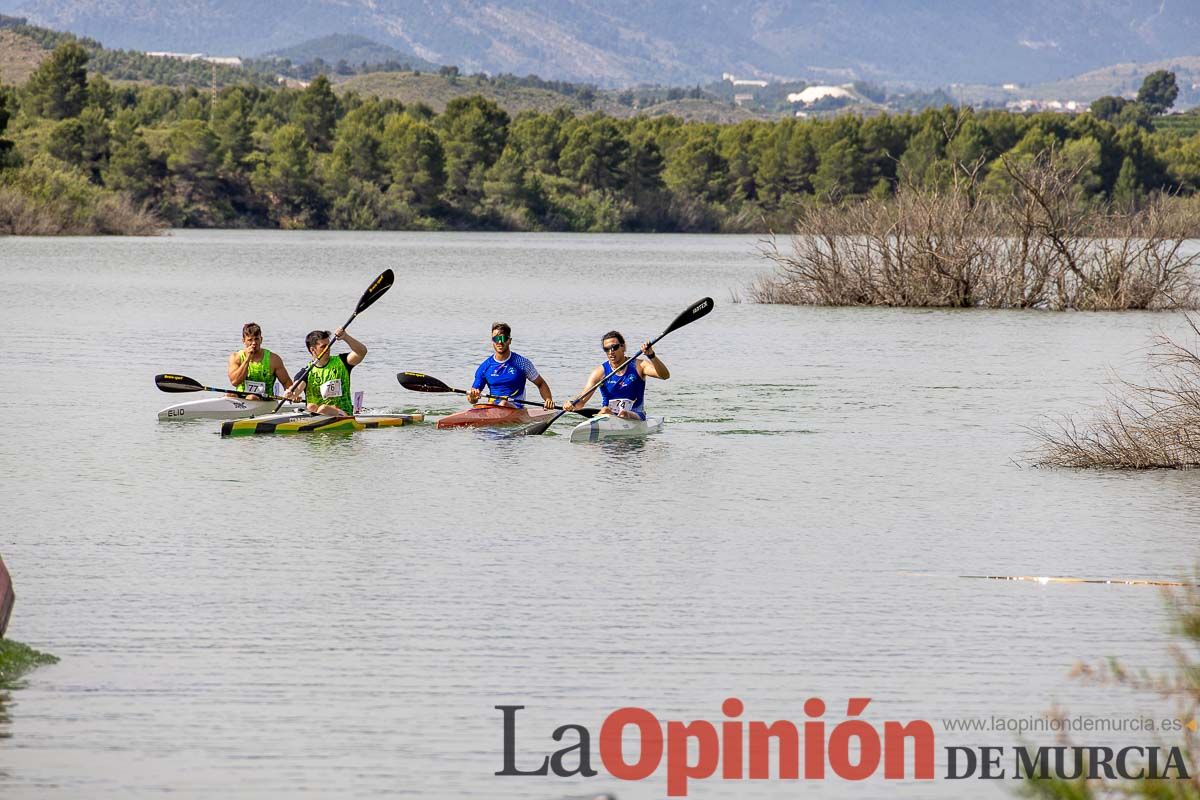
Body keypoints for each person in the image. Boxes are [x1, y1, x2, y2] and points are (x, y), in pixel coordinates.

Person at [562, 330, 669, 419]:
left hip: (635, 414)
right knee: (605, 410)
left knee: (623, 413)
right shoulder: (600, 372)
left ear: (623, 347)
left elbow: (664, 375)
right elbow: (583, 400)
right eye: (606, 349)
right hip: (607, 414)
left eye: (614, 347)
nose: (611, 352)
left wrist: (651, 356)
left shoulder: (639, 365)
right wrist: (572, 403)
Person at [465, 322, 555, 409]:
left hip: (515, 407)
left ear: (509, 341)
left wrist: (548, 400)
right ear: (492, 341)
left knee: (503, 403)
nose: (499, 342)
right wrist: (473, 397)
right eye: (496, 339)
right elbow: (472, 399)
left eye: (503, 338)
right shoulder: (485, 367)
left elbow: (541, 383)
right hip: (492, 406)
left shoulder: (522, 363)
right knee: (480, 406)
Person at [285, 328, 367, 417]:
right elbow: (297, 388)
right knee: (311, 406)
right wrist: (291, 394)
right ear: (313, 350)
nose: (327, 349)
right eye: (323, 346)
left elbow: (361, 352)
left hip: (343, 414)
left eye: (329, 345)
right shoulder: (306, 372)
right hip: (315, 414)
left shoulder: (342, 362)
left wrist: (345, 337)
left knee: (324, 408)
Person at [227, 322, 292, 399]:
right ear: (243, 341)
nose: (254, 343)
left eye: (256, 339)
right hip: (241, 397)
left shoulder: (274, 359)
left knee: (251, 397)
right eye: (250, 340)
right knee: (229, 395)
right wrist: (247, 359)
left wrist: (292, 394)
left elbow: (286, 382)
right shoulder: (235, 357)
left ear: (261, 339)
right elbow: (234, 382)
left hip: (265, 399)